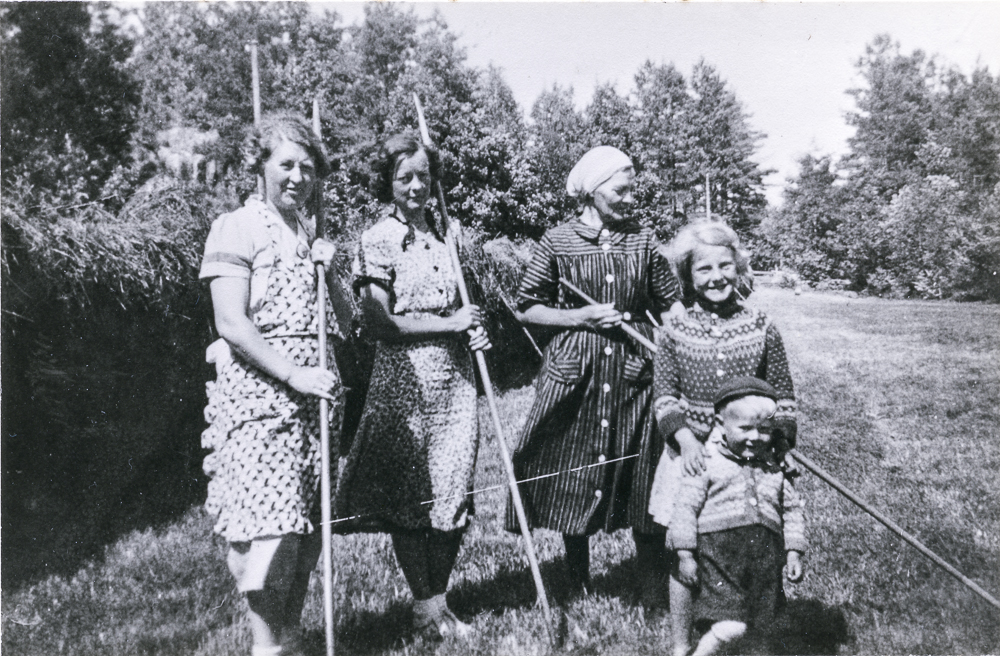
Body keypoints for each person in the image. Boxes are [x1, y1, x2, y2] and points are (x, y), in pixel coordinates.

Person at [200, 112, 349, 656]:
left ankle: (290, 637)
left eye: (308, 168)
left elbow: (346, 323)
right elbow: (231, 322)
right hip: (263, 399)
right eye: (286, 164)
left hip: (314, 404)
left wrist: (332, 271)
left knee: (304, 533)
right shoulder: (236, 226)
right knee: (268, 534)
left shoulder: (310, 234)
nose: (298, 177)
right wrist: (294, 374)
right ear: (259, 166)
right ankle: (267, 648)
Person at [506, 145, 682, 601]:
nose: (629, 199)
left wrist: (682, 341)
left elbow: (671, 303)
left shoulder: (642, 241)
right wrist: (580, 317)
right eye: (620, 191)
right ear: (592, 189)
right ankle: (577, 578)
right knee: (573, 468)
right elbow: (527, 308)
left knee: (642, 471)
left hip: (635, 371)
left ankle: (650, 583)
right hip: (576, 372)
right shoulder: (557, 241)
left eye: (631, 191)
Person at [334, 133, 491, 641]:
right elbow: (377, 323)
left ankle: (438, 603)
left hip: (455, 380)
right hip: (405, 382)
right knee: (411, 497)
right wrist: (450, 324)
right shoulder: (377, 239)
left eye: (424, 175)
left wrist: (473, 328)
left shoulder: (448, 236)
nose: (417, 186)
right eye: (405, 177)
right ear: (389, 183)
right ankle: (424, 607)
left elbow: (461, 308)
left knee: (453, 491)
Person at [647, 220, 797, 656]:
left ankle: (752, 634)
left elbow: (784, 396)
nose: (716, 277)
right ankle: (681, 644)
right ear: (687, 275)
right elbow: (664, 397)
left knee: (752, 540)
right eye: (704, 269)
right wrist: (685, 439)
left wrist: (781, 442)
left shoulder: (762, 326)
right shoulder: (675, 330)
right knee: (685, 547)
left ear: (739, 267)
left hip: (751, 455)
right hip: (690, 456)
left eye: (725, 266)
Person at [667, 376, 806, 656]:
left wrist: (793, 552)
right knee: (732, 626)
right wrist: (684, 553)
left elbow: (792, 510)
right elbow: (685, 509)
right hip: (720, 559)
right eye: (745, 428)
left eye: (764, 430)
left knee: (761, 630)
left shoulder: (774, 467)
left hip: (764, 562)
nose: (754, 437)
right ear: (721, 424)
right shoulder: (707, 462)